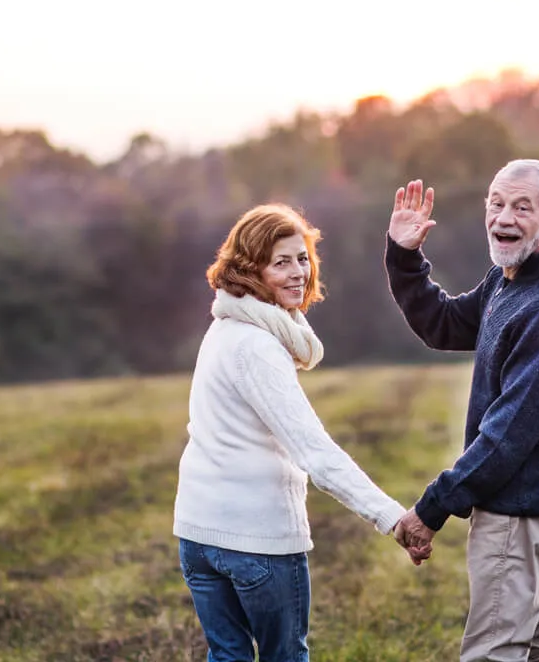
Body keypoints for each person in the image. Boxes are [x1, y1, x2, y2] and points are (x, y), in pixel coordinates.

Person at [173, 203, 427, 662]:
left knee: (227, 657)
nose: (298, 273)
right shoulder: (257, 345)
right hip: (253, 540)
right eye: (281, 261)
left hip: (199, 535)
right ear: (250, 269)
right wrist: (393, 517)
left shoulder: (225, 327)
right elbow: (315, 453)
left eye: (303, 258)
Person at [388, 160, 539, 662]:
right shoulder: (512, 279)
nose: (503, 217)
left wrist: (432, 509)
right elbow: (444, 324)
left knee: (494, 653)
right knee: (531, 646)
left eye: (522, 207)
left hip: (525, 512)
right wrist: (404, 256)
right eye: (496, 202)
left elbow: (506, 438)